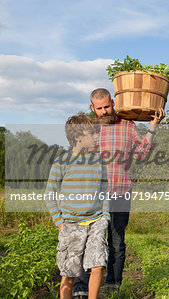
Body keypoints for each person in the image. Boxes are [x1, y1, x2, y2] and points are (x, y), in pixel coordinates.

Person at [73, 88, 164, 298]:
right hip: (92, 195)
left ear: (113, 103)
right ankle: (80, 286)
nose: (104, 111)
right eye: (99, 108)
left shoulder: (128, 126)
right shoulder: (88, 130)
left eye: (107, 106)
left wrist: (152, 127)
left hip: (120, 193)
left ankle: (113, 286)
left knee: (116, 242)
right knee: (86, 240)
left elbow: (141, 156)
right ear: (92, 108)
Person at [45, 114, 110, 299]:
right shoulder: (61, 162)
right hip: (71, 224)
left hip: (96, 222)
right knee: (69, 273)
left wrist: (105, 217)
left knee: (98, 265)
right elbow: (49, 195)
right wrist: (59, 222)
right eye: (92, 133)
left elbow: (104, 191)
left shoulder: (99, 162)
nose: (96, 137)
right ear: (77, 137)